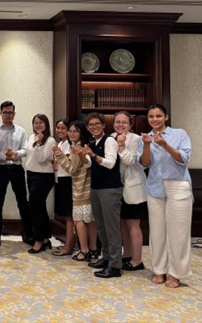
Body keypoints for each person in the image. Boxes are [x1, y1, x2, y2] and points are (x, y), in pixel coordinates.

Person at [138, 104, 193, 289]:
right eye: (151, 116)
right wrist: (147, 145)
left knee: (178, 234)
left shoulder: (180, 134)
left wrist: (165, 145)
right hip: (155, 187)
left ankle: (176, 274)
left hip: (178, 186)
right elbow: (145, 163)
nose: (155, 119)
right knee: (157, 232)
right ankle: (159, 270)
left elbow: (183, 159)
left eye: (158, 116)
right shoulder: (145, 137)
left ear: (166, 117)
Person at [84, 112, 123, 279]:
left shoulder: (109, 141)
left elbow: (110, 163)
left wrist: (93, 156)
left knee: (112, 228)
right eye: (90, 125)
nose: (94, 127)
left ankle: (115, 266)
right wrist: (82, 154)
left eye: (96, 124)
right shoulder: (93, 142)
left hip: (110, 189)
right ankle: (106, 258)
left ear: (103, 125)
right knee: (101, 226)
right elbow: (88, 164)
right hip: (96, 188)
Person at [53, 120, 97, 262]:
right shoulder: (79, 146)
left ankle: (84, 250)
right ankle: (93, 249)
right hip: (85, 188)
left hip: (80, 189)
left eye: (75, 131)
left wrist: (59, 156)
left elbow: (71, 169)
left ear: (81, 132)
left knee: (79, 220)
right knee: (89, 220)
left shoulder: (78, 148)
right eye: (70, 131)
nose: (71, 133)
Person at [0, 101, 33, 247]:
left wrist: (16, 154)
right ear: (0, 113)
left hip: (16, 169)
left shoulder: (20, 130)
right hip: (0, 169)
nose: (8, 115)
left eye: (11, 112)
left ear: (14, 114)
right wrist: (5, 156)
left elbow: (25, 149)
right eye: (6, 112)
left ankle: (27, 233)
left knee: (22, 202)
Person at [112, 111, 147, 272]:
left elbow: (130, 160)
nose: (120, 125)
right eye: (117, 122)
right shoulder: (111, 137)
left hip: (133, 187)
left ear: (130, 124)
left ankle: (137, 259)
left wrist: (121, 145)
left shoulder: (136, 139)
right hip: (117, 187)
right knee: (123, 223)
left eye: (124, 122)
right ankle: (127, 254)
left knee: (133, 223)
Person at [25, 114, 56, 254]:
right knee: (40, 207)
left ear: (46, 124)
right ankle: (45, 238)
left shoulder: (50, 140)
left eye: (41, 122)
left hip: (44, 176)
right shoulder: (32, 137)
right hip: (31, 174)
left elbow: (42, 158)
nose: (38, 125)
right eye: (35, 122)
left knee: (34, 207)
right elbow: (28, 153)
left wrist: (39, 143)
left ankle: (38, 240)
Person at [52, 118, 75, 256]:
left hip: (67, 180)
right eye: (58, 128)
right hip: (59, 180)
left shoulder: (70, 145)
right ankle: (69, 244)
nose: (60, 131)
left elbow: (67, 164)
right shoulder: (60, 143)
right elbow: (55, 165)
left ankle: (68, 246)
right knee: (66, 215)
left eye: (63, 128)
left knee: (69, 216)